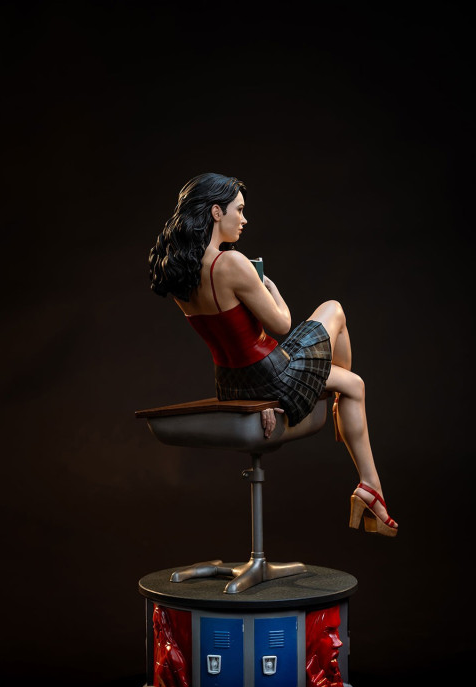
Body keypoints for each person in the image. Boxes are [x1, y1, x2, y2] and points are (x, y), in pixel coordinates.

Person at [148, 173, 397, 535]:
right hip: (273, 375)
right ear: (216, 212)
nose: (244, 219)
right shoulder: (231, 263)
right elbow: (281, 323)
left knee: (352, 383)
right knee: (335, 311)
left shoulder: (180, 273)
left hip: (231, 383)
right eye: (239, 210)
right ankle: (357, 453)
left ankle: (366, 476)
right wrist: (270, 288)